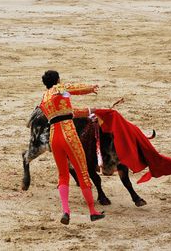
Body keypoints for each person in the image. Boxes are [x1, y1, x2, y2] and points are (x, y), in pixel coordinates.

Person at [39, 70, 105, 225]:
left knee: (63, 174)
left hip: (54, 137)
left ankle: (66, 211)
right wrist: (91, 88)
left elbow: (66, 113)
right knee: (82, 172)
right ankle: (92, 211)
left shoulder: (44, 98)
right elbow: (75, 88)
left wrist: (89, 111)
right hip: (69, 134)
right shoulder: (60, 88)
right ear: (57, 80)